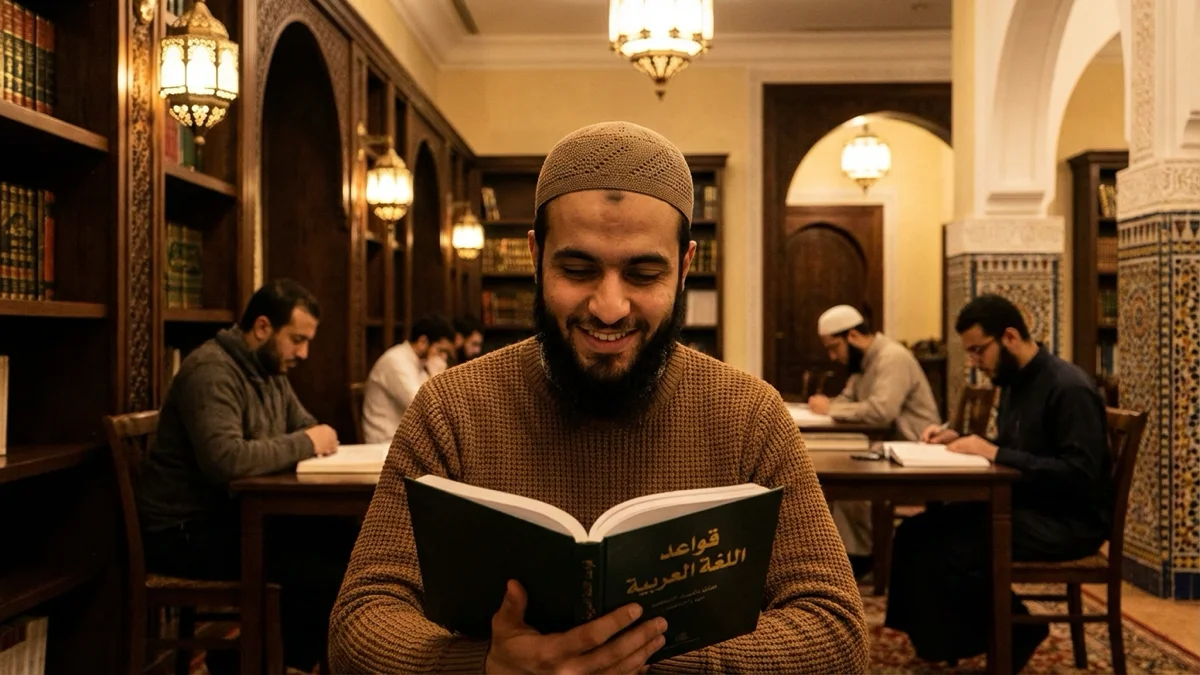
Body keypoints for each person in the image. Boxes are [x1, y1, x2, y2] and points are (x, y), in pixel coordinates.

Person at [328, 121, 869, 674]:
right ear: (536, 258)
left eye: (643, 272)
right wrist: (487, 668)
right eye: (579, 269)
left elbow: (836, 631)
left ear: (683, 267)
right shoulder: (452, 408)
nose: (610, 307)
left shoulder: (748, 413)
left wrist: (645, 664)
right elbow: (360, 623)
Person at [137, 279, 356, 673]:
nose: (304, 353)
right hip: (184, 530)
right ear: (262, 327)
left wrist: (306, 438)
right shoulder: (211, 371)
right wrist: (306, 442)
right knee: (320, 571)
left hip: (232, 518)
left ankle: (265, 661)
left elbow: (305, 425)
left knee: (349, 542)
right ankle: (254, 664)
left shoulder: (270, 368)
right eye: (297, 340)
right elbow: (227, 460)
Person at [886, 293, 1111, 670]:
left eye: (978, 351)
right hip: (1027, 505)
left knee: (951, 547)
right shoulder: (1015, 382)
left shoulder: (1069, 387)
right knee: (914, 532)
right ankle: (938, 641)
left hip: (1068, 521)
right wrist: (956, 437)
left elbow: (1079, 474)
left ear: (1009, 337)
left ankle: (1017, 629)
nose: (974, 362)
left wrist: (994, 453)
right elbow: (1015, 448)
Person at [808, 304, 941, 577]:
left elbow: (882, 412)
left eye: (834, 348)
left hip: (911, 446)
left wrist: (830, 409)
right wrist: (829, 404)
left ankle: (862, 557)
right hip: (884, 444)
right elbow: (849, 399)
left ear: (853, 336)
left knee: (846, 477)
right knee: (834, 467)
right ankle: (853, 554)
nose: (833, 357)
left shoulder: (892, 357)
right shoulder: (862, 362)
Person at [361, 313, 457, 443]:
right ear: (423, 341)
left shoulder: (420, 362)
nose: (443, 357)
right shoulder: (396, 360)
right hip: (386, 443)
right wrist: (437, 377)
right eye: (441, 350)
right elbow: (424, 408)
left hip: (407, 440)